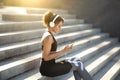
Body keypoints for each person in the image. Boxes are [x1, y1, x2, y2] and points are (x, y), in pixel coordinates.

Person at [39, 11, 92, 80]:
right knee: (78, 64)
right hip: (48, 69)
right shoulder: (48, 37)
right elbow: (46, 57)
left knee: (77, 59)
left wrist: (64, 50)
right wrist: (63, 51)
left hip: (50, 65)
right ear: (52, 24)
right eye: (59, 26)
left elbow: (48, 53)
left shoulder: (48, 34)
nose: (60, 28)